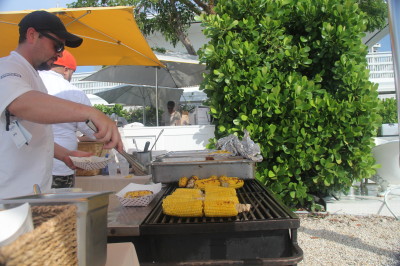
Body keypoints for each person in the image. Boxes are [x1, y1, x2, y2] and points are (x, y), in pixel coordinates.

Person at [0, 10, 123, 199]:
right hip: (9, 195)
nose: (58, 55)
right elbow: (20, 103)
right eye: (57, 46)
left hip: (32, 191)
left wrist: (65, 155)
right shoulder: (7, 67)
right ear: (32, 35)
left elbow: (29, 134)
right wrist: (91, 113)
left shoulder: (34, 76)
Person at [39, 50, 96, 188]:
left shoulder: (30, 82)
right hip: (61, 167)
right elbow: (94, 131)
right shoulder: (74, 92)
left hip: (30, 167)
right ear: (66, 70)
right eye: (72, 73)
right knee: (61, 208)